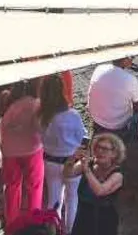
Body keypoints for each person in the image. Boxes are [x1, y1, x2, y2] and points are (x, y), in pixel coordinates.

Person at [40, 75, 85, 235]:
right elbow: (82, 136)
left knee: (53, 198)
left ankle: (52, 230)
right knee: (72, 198)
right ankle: (68, 231)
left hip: (49, 161)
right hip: (71, 162)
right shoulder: (72, 114)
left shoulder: (41, 116)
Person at [0, 80, 44, 228]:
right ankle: (33, 224)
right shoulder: (36, 103)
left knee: (11, 187)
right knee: (34, 186)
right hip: (31, 149)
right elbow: (40, 127)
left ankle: (11, 225)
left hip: (8, 150)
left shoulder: (8, 102)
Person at [64, 133, 125, 235]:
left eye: (105, 149)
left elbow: (99, 191)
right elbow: (68, 173)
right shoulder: (89, 163)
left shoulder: (117, 175)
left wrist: (87, 170)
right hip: (83, 215)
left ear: (114, 153)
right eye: (98, 147)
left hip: (103, 220)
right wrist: (72, 157)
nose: (100, 151)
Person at [85, 58, 138, 138]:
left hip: (96, 119)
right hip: (118, 124)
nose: (132, 59)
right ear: (125, 60)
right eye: (131, 57)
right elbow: (137, 106)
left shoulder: (100, 68)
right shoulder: (130, 79)